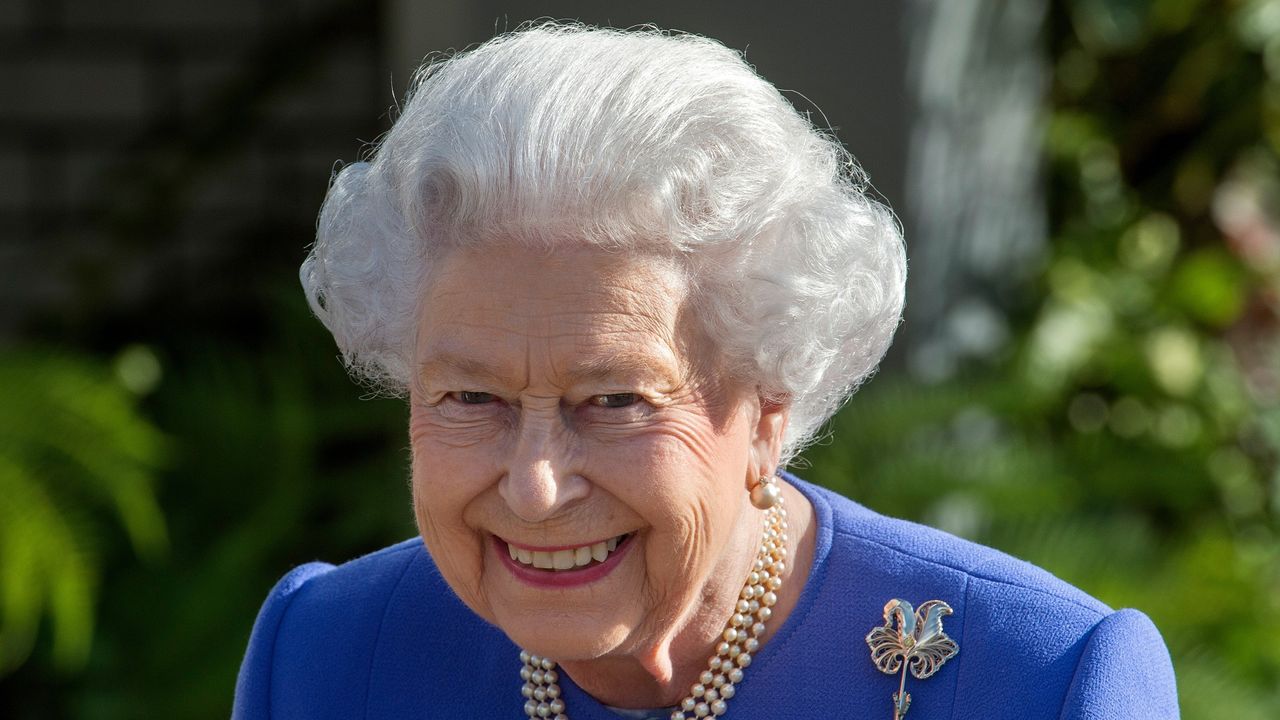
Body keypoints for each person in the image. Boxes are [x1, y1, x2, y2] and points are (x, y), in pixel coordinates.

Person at [233, 23, 1178, 720]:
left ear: (769, 409)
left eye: (614, 401)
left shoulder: (1039, 683)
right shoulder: (325, 658)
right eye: (469, 398)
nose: (532, 487)